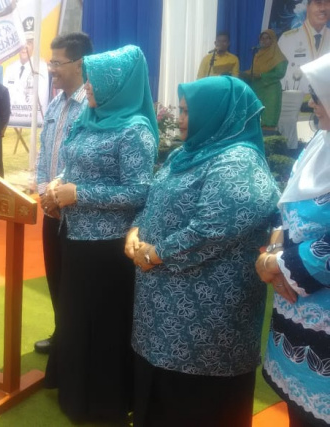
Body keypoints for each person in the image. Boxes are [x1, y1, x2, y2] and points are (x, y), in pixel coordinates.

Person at [128, 76, 280, 427]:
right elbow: (154, 198)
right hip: (161, 310)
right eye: (180, 110)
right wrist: (135, 231)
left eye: (188, 112)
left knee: (195, 405)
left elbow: (213, 228)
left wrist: (156, 253)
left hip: (206, 320)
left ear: (217, 113)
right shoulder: (187, 152)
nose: (181, 119)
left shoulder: (238, 160)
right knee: (160, 395)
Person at [44, 45, 158, 424]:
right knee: (75, 318)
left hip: (107, 247)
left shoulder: (134, 130)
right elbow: (73, 162)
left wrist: (80, 194)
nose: (88, 86)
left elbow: (140, 191)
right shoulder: (89, 117)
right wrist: (59, 184)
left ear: (116, 84)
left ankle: (102, 402)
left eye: (94, 80)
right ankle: (74, 392)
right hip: (74, 236)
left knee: (104, 325)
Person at [258, 53, 330, 427]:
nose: (312, 104)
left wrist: (276, 264)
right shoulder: (321, 142)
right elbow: (289, 203)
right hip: (297, 314)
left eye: (319, 96)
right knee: (299, 415)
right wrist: (273, 251)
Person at [33, 32, 93, 356]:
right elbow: (45, 154)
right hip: (51, 210)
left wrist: (59, 195)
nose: (51, 69)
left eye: (57, 62)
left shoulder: (94, 107)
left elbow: (88, 161)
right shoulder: (56, 103)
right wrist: (45, 193)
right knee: (55, 276)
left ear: (79, 63)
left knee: (77, 284)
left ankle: (75, 345)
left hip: (79, 212)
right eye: (50, 62)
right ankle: (61, 336)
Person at [278, 0, 330, 94]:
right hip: (294, 101)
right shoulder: (287, 39)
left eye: (327, 3)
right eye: (318, 3)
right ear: (307, 7)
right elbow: (277, 78)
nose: (323, 8)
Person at [242, 30, 288, 132]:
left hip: (271, 91)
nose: (264, 40)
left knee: (269, 118)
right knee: (256, 116)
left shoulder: (278, 56)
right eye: (262, 38)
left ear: (273, 40)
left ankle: (269, 139)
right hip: (257, 88)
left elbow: (280, 73)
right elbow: (253, 70)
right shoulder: (258, 55)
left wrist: (262, 75)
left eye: (267, 38)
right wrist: (245, 74)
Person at [3, 17, 50, 114]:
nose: (25, 47)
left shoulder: (41, 68)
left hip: (31, 120)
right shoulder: (9, 69)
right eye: (22, 42)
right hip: (10, 120)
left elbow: (42, 101)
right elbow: (4, 99)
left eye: (29, 42)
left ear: (34, 45)